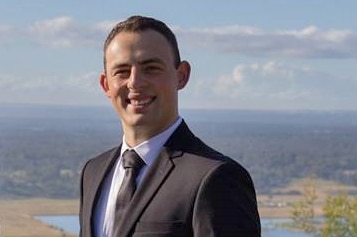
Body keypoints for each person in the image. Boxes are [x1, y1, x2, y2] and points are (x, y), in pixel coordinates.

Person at [79, 15, 261, 237]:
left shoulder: (216, 177)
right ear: (106, 84)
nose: (135, 82)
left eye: (151, 68)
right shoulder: (93, 172)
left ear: (181, 75)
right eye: (122, 71)